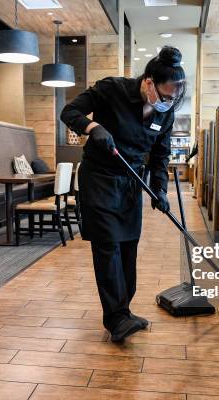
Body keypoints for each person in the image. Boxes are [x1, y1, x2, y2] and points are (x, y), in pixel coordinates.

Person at [61, 46, 186, 342]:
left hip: (132, 184)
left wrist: (159, 190)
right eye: (165, 95)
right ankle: (115, 319)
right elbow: (69, 111)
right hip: (100, 179)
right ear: (148, 82)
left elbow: (160, 155)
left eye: (173, 98)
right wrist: (93, 127)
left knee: (128, 247)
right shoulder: (111, 89)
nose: (168, 102)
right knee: (108, 247)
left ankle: (125, 311)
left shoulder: (164, 115)